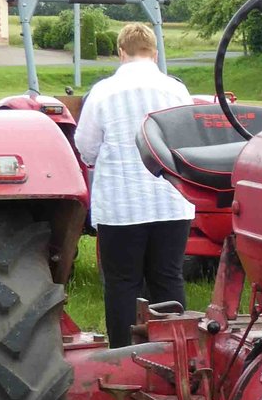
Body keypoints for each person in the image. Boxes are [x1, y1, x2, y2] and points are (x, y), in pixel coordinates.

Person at [74, 22, 195, 349]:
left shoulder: (103, 92)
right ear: (155, 54)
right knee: (168, 277)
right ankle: (174, 350)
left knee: (123, 283)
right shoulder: (177, 91)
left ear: (121, 52)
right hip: (171, 201)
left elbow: (86, 146)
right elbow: (188, 140)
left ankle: (124, 355)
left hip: (122, 205)